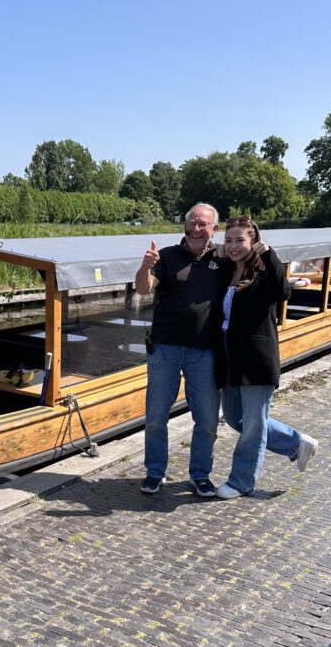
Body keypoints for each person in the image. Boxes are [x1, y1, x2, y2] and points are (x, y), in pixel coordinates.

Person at [215, 216, 319, 499]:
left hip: (256, 356)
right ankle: (296, 443)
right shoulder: (225, 271)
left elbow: (282, 291)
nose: (234, 246)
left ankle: (241, 481)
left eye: (240, 240)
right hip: (227, 354)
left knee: (254, 424)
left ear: (254, 242)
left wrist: (268, 255)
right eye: (229, 240)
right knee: (236, 418)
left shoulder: (263, 273)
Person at [134, 202, 224, 497]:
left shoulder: (223, 258)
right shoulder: (168, 256)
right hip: (165, 349)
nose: (196, 229)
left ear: (214, 229)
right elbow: (143, 289)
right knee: (156, 416)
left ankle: (199, 475)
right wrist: (146, 266)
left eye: (203, 224)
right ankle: (154, 472)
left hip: (205, 352)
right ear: (185, 225)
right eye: (192, 223)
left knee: (208, 420)